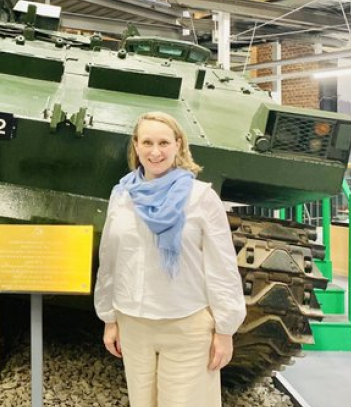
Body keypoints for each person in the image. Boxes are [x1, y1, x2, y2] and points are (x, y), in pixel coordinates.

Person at [94, 112, 246, 407]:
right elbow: (110, 260)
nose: (155, 152)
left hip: (186, 326)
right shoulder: (122, 195)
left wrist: (225, 329)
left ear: (178, 145)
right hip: (133, 322)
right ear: (135, 147)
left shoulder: (201, 198)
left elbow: (222, 268)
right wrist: (109, 318)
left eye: (164, 142)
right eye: (147, 142)